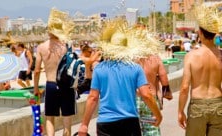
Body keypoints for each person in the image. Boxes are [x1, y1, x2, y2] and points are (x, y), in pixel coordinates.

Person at [78, 19, 162, 136]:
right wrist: (158, 115)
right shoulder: (135, 68)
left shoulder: (99, 69)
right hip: (130, 122)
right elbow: (146, 95)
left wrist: (84, 125)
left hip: (106, 123)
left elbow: (92, 98)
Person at [178, 3, 222, 136]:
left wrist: (180, 111)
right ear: (214, 34)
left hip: (198, 105)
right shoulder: (221, 56)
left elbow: (185, 87)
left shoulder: (191, 56)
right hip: (218, 103)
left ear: (200, 33)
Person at [33, 8, 75, 136]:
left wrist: (35, 88)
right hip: (66, 85)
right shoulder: (66, 46)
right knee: (67, 117)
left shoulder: (41, 47)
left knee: (50, 117)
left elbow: (36, 71)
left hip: (51, 84)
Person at [137, 55, 172, 136]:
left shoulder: (130, 57)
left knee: (133, 129)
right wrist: (167, 94)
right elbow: (164, 79)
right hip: (150, 97)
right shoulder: (155, 58)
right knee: (152, 129)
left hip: (133, 98)